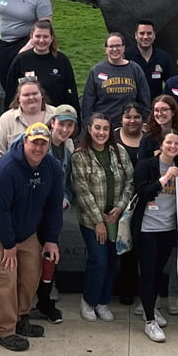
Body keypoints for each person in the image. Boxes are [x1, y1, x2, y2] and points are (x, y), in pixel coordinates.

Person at [0, 121, 65, 351]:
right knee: (4, 277)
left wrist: (52, 239)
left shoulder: (52, 167)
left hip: (25, 228)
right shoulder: (6, 168)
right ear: (24, 141)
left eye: (43, 144)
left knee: (31, 274)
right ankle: (5, 331)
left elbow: (54, 206)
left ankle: (21, 316)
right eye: (34, 142)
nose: (38, 148)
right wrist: (8, 244)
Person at [69, 114, 134, 323]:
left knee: (114, 262)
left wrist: (119, 208)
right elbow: (83, 192)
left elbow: (129, 182)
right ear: (89, 129)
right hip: (92, 219)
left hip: (116, 218)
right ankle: (88, 300)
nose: (101, 133)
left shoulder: (119, 151)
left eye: (106, 129)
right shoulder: (80, 156)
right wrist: (99, 222)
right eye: (97, 128)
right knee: (98, 261)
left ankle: (102, 301)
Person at [134, 131, 178, 342]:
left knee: (157, 273)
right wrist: (165, 178)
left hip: (168, 229)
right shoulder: (146, 166)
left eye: (177, 143)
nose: (173, 146)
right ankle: (149, 321)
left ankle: (150, 308)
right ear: (161, 145)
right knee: (147, 274)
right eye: (169, 142)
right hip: (147, 229)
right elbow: (143, 191)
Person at [81, 32, 149, 123]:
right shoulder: (96, 70)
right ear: (106, 49)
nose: (115, 49)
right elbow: (87, 104)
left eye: (118, 45)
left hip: (129, 124)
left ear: (124, 47)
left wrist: (144, 122)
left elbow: (145, 100)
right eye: (111, 46)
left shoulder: (135, 69)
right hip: (104, 126)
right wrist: (87, 125)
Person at [10, 20, 78, 108]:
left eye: (45, 36)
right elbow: (11, 92)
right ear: (31, 37)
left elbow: (71, 93)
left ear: (51, 38)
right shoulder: (21, 60)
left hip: (56, 117)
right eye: (38, 36)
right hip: (28, 116)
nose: (41, 40)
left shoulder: (61, 60)